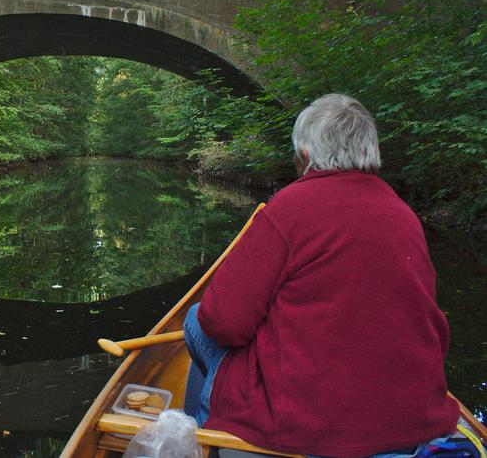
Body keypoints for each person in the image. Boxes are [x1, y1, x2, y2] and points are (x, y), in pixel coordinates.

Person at [182, 93, 463, 457]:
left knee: (195, 319)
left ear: (305, 156)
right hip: (412, 422)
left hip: (301, 429)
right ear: (370, 152)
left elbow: (224, 323)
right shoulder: (404, 215)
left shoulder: (289, 208)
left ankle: (195, 436)